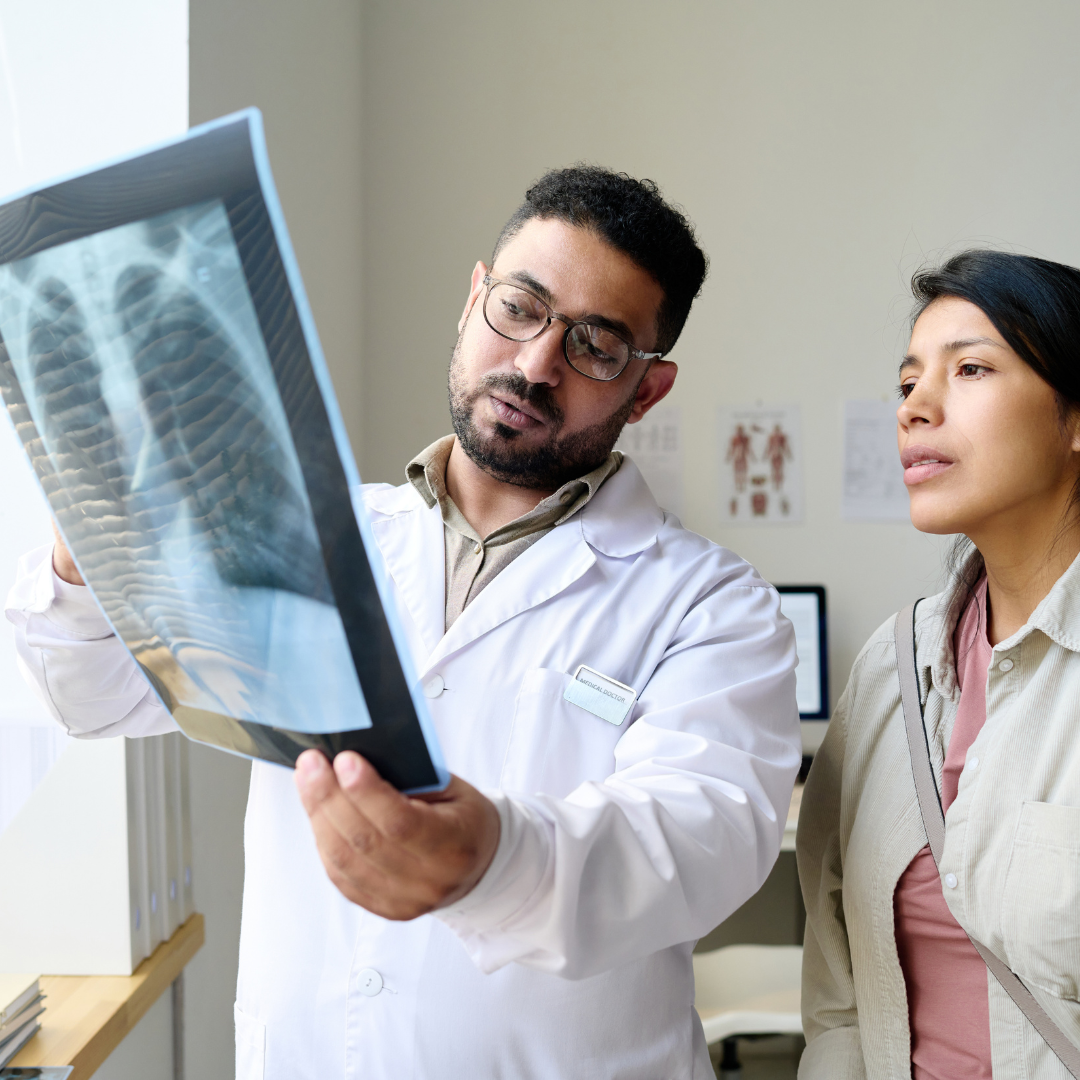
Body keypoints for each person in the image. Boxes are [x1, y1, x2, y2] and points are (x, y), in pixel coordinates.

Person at [7, 166, 800, 1080]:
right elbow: (97, 695)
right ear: (473, 302)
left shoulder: (711, 605)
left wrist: (497, 860)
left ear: (648, 389)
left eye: (596, 346)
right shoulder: (309, 535)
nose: (537, 364)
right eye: (521, 307)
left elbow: (697, 840)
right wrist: (86, 543)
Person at [798, 249, 1080, 1079]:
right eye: (907, 381)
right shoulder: (889, 669)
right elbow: (838, 987)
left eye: (971, 368)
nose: (915, 407)